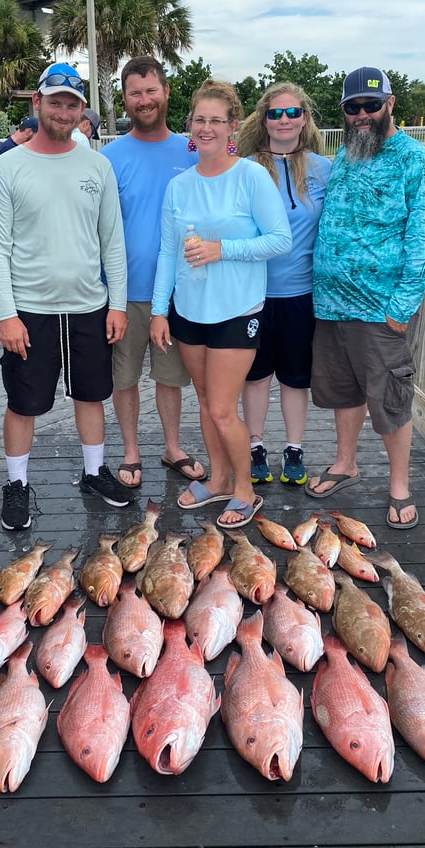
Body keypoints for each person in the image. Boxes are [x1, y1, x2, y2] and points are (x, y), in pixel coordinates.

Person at [0, 61, 132, 527]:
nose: (63, 111)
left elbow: (113, 240)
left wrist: (120, 304)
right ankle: (17, 483)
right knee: (23, 403)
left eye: (72, 104)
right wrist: (6, 315)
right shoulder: (7, 168)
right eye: (55, 102)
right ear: (38, 104)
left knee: (92, 395)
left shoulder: (98, 165)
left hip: (89, 305)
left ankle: (93, 472)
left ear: (81, 109)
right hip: (29, 310)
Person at [150, 80, 293, 528]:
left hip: (237, 311)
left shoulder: (251, 176)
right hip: (190, 313)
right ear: (189, 126)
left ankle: (245, 491)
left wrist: (221, 249)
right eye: (200, 120)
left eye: (216, 121)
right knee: (207, 399)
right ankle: (216, 480)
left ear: (232, 127)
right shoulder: (179, 185)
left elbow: (280, 240)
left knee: (220, 408)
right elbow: (167, 253)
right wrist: (159, 309)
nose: (206, 128)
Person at [305, 66, 425, 529]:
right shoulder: (345, 155)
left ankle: (399, 485)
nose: (362, 114)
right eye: (352, 107)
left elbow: (424, 241)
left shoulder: (415, 161)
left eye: (370, 105)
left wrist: (401, 309)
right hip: (331, 306)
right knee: (345, 392)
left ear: (390, 103)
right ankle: (346, 462)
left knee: (390, 399)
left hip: (381, 310)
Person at [101, 56, 204, 489]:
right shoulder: (107, 157)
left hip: (179, 293)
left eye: (151, 90)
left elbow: (236, 156)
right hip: (124, 294)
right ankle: (129, 451)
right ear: (124, 99)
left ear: (166, 91)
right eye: (135, 93)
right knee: (123, 379)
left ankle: (172, 447)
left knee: (170, 377)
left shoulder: (193, 148)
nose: (144, 100)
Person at [237, 82, 330, 487]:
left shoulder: (324, 169)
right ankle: (255, 446)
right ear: (263, 120)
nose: (285, 120)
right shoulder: (245, 168)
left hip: (302, 294)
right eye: (275, 113)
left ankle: (294, 448)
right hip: (253, 294)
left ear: (304, 119)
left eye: (293, 113)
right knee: (255, 376)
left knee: (295, 378)